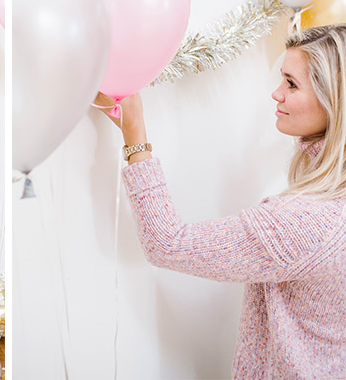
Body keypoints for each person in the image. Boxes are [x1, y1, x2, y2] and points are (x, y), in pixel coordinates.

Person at [96, 25, 346, 378]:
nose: (276, 93)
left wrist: (135, 133)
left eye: (291, 83)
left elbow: (167, 243)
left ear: (333, 100)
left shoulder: (304, 222)